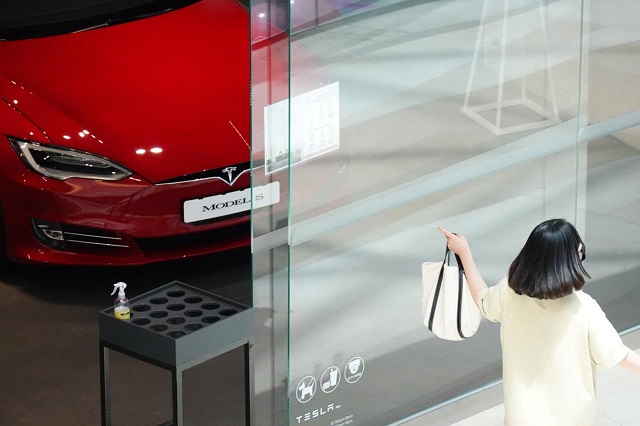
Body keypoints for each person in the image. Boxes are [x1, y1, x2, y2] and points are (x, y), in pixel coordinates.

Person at [438, 219, 640, 426]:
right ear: (572, 261)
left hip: (521, 417)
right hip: (572, 418)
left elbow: (483, 300)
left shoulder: (509, 291)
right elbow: (619, 355)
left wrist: (464, 253)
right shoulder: (583, 308)